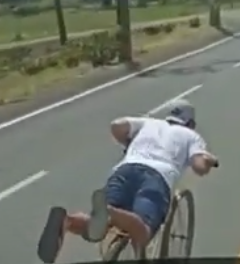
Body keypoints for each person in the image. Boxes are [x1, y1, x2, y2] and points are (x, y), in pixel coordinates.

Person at [37, 99, 218, 264]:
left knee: (97, 226)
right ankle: (110, 211)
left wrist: (128, 144)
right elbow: (199, 167)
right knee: (143, 231)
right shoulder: (191, 136)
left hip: (124, 169)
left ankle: (67, 221)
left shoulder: (149, 123)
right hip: (156, 177)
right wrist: (208, 159)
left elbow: (117, 125)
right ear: (191, 123)